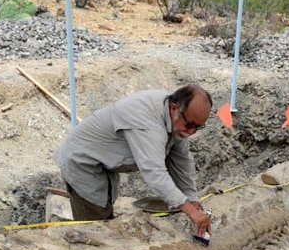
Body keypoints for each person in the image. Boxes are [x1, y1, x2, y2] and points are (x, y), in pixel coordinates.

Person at [53, 85, 212, 238]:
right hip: (81, 164)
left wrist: (191, 198)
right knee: (95, 225)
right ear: (174, 109)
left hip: (102, 165)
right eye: (190, 125)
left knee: (104, 215)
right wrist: (190, 211)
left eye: (197, 128)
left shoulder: (177, 117)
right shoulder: (147, 123)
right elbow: (154, 173)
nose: (191, 132)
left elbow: (182, 160)